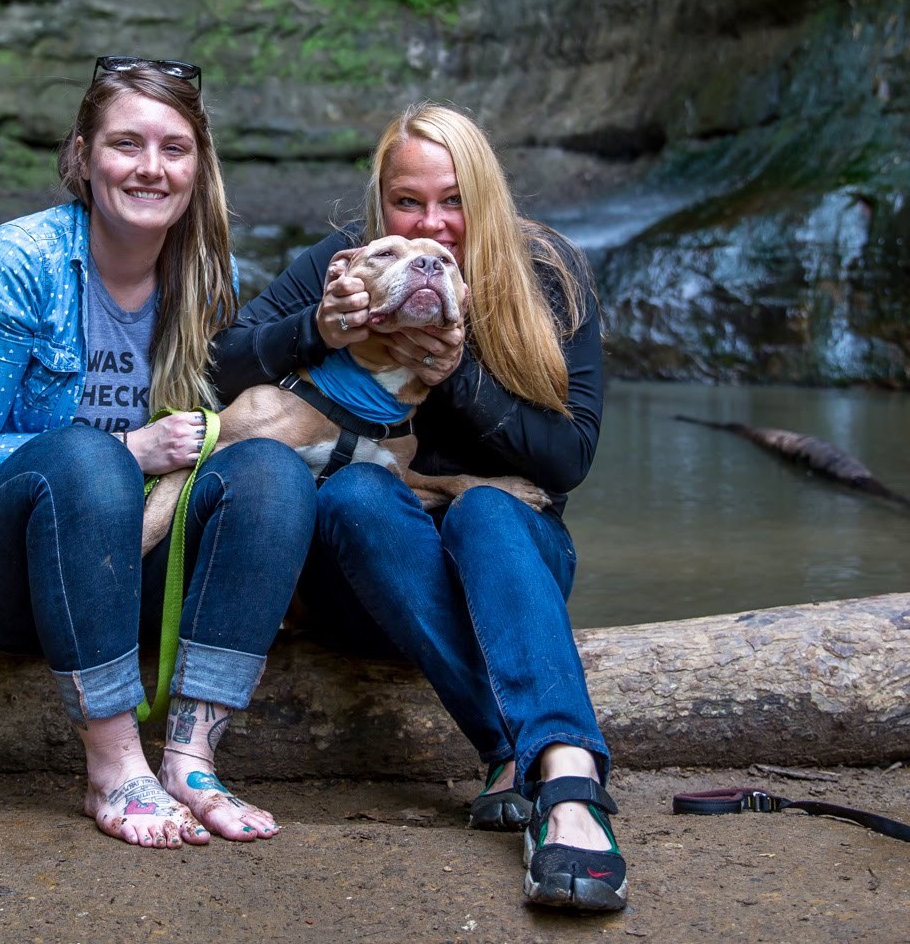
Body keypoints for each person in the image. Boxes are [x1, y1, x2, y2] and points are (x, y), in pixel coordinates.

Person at [0, 56, 316, 849]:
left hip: (121, 574)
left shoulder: (204, 274)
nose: (151, 168)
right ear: (84, 157)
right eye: (127, 144)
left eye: (174, 147)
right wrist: (128, 446)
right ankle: (115, 765)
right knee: (89, 459)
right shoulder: (20, 261)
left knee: (271, 471)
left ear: (199, 165)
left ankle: (191, 756)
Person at [212, 102, 620, 910]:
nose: (432, 224)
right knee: (359, 493)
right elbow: (224, 364)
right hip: (362, 580)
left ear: (486, 196)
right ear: (380, 205)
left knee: (487, 512)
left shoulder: (548, 271)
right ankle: (529, 748)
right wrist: (318, 328)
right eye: (408, 201)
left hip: (508, 570)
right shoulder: (349, 260)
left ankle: (566, 783)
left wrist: (457, 374)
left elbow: (569, 457)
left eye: (453, 199)